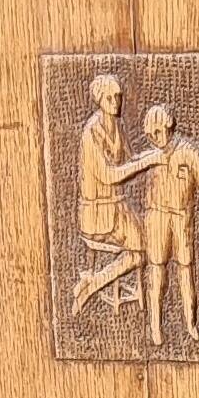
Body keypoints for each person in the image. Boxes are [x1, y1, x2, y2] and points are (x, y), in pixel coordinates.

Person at [137, 102, 199, 346]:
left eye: (158, 133)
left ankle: (190, 323)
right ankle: (154, 326)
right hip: (157, 217)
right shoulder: (149, 155)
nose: (155, 139)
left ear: (169, 127)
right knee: (156, 269)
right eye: (151, 135)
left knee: (184, 269)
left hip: (181, 218)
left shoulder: (187, 152)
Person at [71, 73, 149, 316]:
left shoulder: (117, 125)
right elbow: (109, 176)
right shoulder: (91, 133)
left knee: (149, 245)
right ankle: (94, 286)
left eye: (118, 96)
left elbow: (131, 158)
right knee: (140, 252)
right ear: (99, 100)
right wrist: (144, 164)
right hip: (98, 214)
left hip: (118, 208)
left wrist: (155, 156)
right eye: (109, 98)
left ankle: (92, 282)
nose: (115, 102)